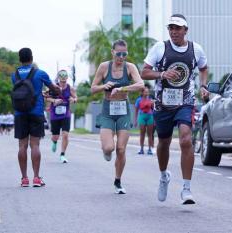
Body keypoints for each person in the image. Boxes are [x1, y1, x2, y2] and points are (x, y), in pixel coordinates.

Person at [141, 14, 209, 204]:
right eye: (171, 28)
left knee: (186, 139)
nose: (174, 32)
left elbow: (204, 68)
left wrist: (203, 86)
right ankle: (164, 176)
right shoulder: (160, 48)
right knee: (163, 143)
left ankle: (186, 188)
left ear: (185, 30)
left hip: (185, 101)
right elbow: (144, 71)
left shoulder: (196, 49)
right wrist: (162, 74)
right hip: (163, 103)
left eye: (177, 28)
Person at [91, 39, 144, 194]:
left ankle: (118, 181)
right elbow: (93, 89)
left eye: (124, 54)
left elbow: (140, 85)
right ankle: (106, 150)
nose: (121, 57)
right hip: (107, 110)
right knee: (109, 148)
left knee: (121, 149)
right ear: (112, 52)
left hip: (123, 110)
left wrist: (123, 87)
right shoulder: (103, 67)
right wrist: (103, 86)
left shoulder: (130, 67)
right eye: (118, 54)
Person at [11, 48, 60, 187]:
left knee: (22, 145)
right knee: (35, 145)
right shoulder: (40, 73)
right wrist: (56, 91)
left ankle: (24, 179)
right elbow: (55, 89)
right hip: (36, 112)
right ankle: (36, 178)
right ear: (32, 58)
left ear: (20, 59)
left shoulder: (14, 75)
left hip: (20, 113)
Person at [45, 69, 77, 163]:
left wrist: (73, 100)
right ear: (58, 78)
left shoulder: (70, 88)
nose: (63, 82)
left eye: (65, 79)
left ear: (67, 78)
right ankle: (54, 142)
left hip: (66, 114)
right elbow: (46, 97)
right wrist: (54, 101)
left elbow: (75, 97)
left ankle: (62, 154)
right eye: (61, 80)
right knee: (55, 136)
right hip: (55, 115)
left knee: (65, 135)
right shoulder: (53, 87)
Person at [134, 84, 155, 155]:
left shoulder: (151, 100)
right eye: (145, 92)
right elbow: (136, 111)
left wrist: (154, 119)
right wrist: (135, 120)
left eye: (148, 92)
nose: (147, 93)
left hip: (150, 117)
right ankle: (141, 149)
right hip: (142, 116)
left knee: (150, 134)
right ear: (142, 92)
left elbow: (154, 110)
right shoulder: (138, 100)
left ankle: (149, 149)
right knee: (142, 134)